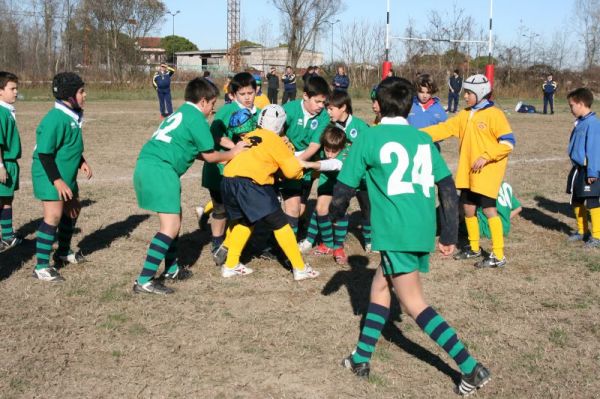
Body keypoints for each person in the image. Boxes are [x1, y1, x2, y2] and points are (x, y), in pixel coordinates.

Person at [331, 76, 491, 396]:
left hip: (395, 230)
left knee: (414, 302)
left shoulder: (370, 137)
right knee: (380, 286)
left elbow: (344, 188)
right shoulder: (420, 139)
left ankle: (471, 368)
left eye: (375, 98)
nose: (372, 103)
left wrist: (332, 220)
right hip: (418, 229)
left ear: (381, 103)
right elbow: (446, 188)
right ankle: (361, 358)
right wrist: (447, 233)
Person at [132, 78, 247, 295]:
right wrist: (233, 153)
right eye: (212, 104)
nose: (213, 109)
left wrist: (224, 156)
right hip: (160, 170)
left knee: (176, 219)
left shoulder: (181, 112)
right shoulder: (197, 119)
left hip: (149, 165)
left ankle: (172, 269)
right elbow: (211, 155)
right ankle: (144, 280)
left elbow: (198, 153)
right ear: (203, 101)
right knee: (170, 226)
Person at [422, 74, 516, 268]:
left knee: (490, 210)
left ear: (480, 93)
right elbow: (444, 128)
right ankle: (474, 248)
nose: (465, 96)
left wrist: (487, 155)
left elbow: (508, 142)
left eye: (468, 93)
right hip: (468, 174)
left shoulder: (495, 114)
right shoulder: (465, 114)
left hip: (486, 174)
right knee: (468, 209)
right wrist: (416, 134)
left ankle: (498, 254)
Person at [219, 104, 320, 280]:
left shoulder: (250, 135)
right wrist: (300, 169)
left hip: (228, 180)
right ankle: (300, 268)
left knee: (245, 221)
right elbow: (290, 171)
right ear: (280, 125)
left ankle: (231, 265)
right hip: (250, 184)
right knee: (281, 224)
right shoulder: (275, 140)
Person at [31, 73, 92, 282]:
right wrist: (57, 181)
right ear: (69, 96)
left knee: (73, 209)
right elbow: (45, 154)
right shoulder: (55, 118)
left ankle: (63, 252)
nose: (85, 95)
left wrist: (81, 161)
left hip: (65, 175)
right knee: (54, 216)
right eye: (81, 91)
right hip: (49, 175)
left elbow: (68, 145)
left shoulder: (71, 115)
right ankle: (41, 266)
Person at [202, 72, 259, 255]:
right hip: (218, 169)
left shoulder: (256, 112)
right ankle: (217, 243)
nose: (247, 97)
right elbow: (214, 136)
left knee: (239, 209)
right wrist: (234, 148)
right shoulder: (227, 110)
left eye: (250, 93)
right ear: (233, 95)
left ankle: (234, 242)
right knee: (221, 209)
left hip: (241, 172)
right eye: (242, 94)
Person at [280, 75, 331, 235]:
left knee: (301, 207)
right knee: (292, 206)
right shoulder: (289, 109)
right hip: (287, 166)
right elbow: (275, 130)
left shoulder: (323, 116)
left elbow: (314, 146)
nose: (321, 106)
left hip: (306, 165)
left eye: (324, 102)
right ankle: (282, 244)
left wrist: (296, 161)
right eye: (317, 102)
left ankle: (291, 229)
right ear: (305, 96)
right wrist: (282, 137)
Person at [299, 126, 351, 264]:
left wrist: (309, 164)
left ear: (342, 147)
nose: (330, 154)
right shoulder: (321, 147)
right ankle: (327, 244)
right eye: (327, 150)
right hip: (327, 179)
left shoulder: (346, 153)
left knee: (339, 210)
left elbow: (334, 164)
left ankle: (338, 246)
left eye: (334, 151)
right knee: (321, 208)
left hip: (344, 181)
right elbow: (307, 153)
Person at [565, 87, 600, 248]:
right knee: (576, 200)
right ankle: (582, 231)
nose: (570, 109)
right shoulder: (581, 122)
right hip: (578, 169)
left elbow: (594, 149)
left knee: (592, 202)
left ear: (580, 103)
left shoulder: (593, 124)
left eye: (572, 105)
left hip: (589, 170)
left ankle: (597, 236)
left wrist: (593, 171)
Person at [0, 71, 22, 252]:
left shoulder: (7, 110)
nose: (16, 92)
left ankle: (7, 236)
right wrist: (0, 166)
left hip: (10, 163)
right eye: (12, 88)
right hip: (3, 163)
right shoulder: (0, 112)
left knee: (7, 199)